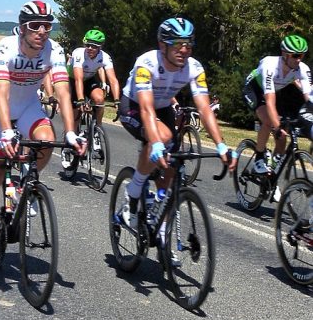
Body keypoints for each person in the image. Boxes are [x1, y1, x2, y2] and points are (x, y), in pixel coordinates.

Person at [0, 0, 86, 265]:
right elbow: (1, 93)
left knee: (47, 141)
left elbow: (62, 92)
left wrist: (71, 132)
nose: (42, 31)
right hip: (0, 106)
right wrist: (6, 132)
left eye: (47, 26)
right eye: (35, 26)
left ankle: (24, 184)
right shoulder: (6, 47)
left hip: (28, 106)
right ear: (22, 28)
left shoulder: (54, 50)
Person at [118, 17, 234, 230]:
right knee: (161, 138)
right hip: (134, 105)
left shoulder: (194, 68)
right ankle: (133, 192)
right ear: (163, 45)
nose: (184, 49)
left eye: (188, 44)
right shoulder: (147, 63)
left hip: (162, 108)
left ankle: (159, 221)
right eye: (178, 44)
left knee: (173, 164)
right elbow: (145, 108)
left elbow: (205, 109)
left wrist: (221, 145)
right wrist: (156, 142)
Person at [243, 34, 311, 174]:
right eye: (295, 55)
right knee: (269, 122)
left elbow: (309, 96)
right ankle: (259, 159)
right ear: (284, 54)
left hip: (274, 91)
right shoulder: (270, 65)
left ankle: (272, 174)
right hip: (254, 90)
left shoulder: (302, 69)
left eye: (302, 56)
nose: (299, 60)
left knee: (282, 139)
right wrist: (277, 126)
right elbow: (269, 101)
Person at [67, 29, 121, 126]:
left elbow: (113, 80)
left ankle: (97, 127)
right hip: (73, 80)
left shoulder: (105, 57)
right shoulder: (78, 53)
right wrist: (80, 100)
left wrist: (117, 100)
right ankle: (72, 136)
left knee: (99, 99)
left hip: (88, 79)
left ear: (100, 47)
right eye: (87, 45)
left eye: (94, 46)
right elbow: (78, 79)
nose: (90, 48)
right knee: (75, 119)